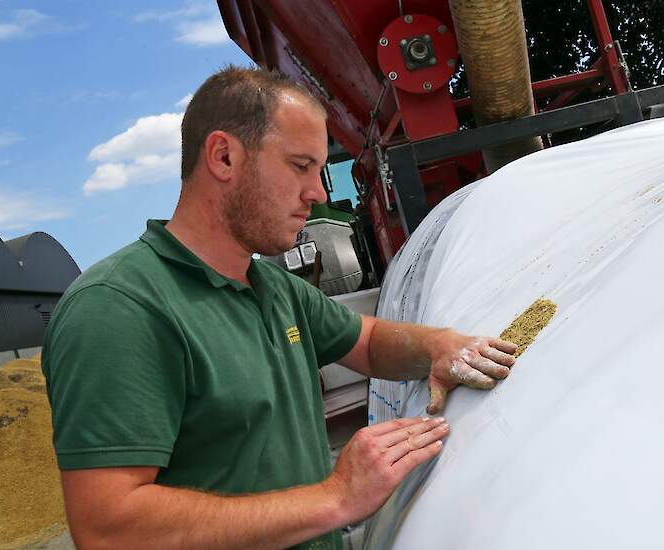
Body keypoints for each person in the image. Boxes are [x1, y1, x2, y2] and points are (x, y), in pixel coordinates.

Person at [42, 66, 517, 550]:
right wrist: (336, 498)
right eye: (299, 166)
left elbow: (368, 342)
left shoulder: (272, 287)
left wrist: (439, 347)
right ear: (224, 157)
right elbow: (107, 528)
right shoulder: (119, 308)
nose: (320, 193)